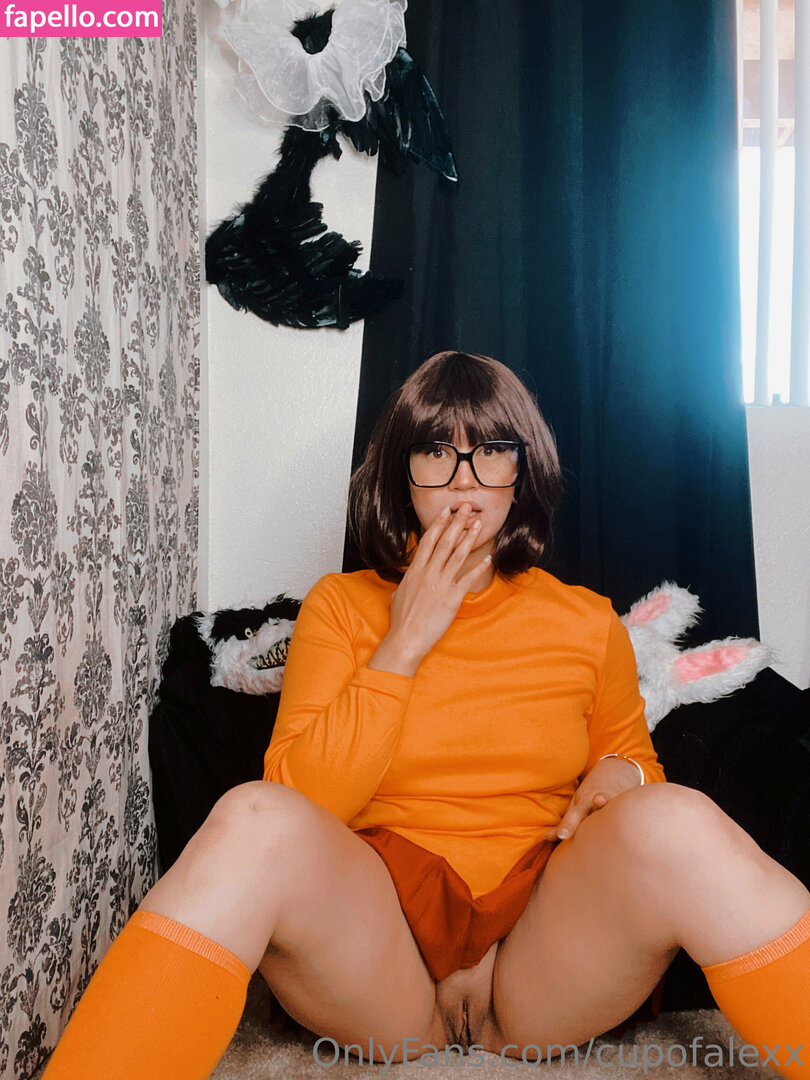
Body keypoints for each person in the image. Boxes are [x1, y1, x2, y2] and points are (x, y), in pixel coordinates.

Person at [42, 351, 810, 1079]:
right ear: (401, 475)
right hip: (381, 958)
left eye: (491, 452)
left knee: (677, 818)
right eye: (437, 452)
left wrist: (625, 775)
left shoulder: (587, 621)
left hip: (544, 954)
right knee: (251, 816)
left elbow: (637, 760)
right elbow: (299, 800)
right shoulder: (340, 607)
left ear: (522, 472)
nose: (464, 482)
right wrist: (404, 640)